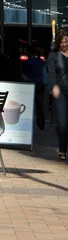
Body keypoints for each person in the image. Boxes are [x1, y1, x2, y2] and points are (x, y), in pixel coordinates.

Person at [48, 27, 68, 160]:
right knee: (62, 123)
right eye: (62, 42)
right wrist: (53, 86)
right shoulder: (53, 56)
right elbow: (51, 73)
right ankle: (62, 148)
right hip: (60, 91)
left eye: (66, 41)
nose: (64, 44)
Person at [22, 45, 45, 130]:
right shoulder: (40, 61)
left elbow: (24, 72)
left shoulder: (28, 62)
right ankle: (41, 124)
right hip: (40, 85)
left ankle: (27, 125)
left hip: (30, 85)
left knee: (28, 105)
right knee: (39, 105)